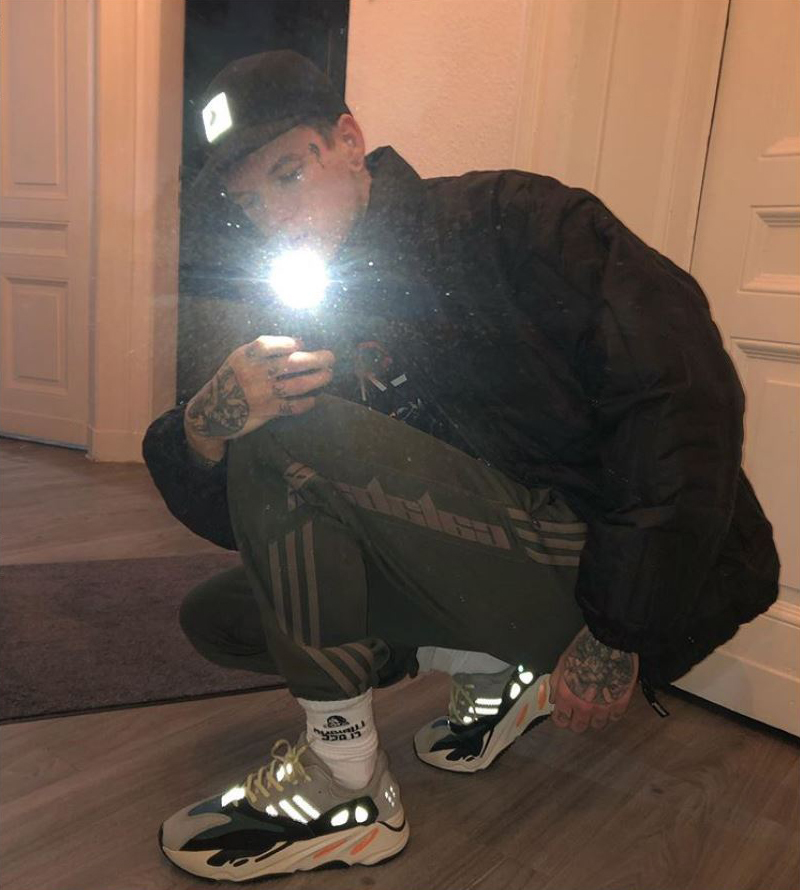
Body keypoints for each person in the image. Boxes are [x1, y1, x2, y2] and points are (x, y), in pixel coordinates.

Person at [143, 50, 779, 882]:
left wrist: (619, 629)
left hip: (605, 568)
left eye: (289, 174)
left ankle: (346, 787)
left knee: (295, 432)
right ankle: (492, 670)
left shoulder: (513, 220)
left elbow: (683, 399)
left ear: (349, 141)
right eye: (251, 201)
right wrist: (204, 424)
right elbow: (263, 516)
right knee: (224, 616)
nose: (276, 218)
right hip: (488, 555)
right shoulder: (317, 300)